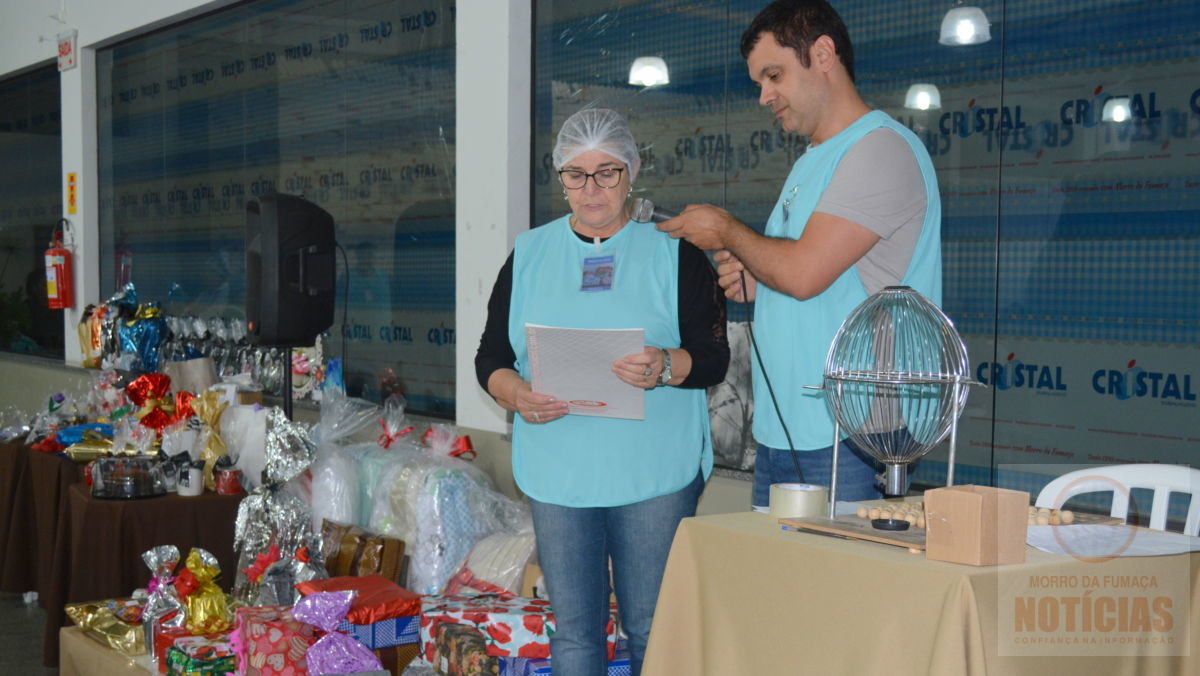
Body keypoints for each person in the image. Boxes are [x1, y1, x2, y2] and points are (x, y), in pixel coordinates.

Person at [657, 0, 942, 508]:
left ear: (823, 53)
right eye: (759, 83)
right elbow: (800, 270)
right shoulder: (813, 159)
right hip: (789, 427)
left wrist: (726, 230)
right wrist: (756, 276)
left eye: (774, 75)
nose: (765, 96)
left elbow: (805, 272)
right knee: (783, 585)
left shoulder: (879, 150)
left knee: (834, 587)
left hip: (853, 431)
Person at [475, 107, 728, 675]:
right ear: (559, 177)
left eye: (607, 172)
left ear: (633, 171)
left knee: (652, 630)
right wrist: (515, 393)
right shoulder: (530, 255)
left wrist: (665, 364)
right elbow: (490, 356)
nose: (592, 189)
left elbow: (714, 358)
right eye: (576, 174)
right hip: (561, 474)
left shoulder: (676, 253)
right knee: (576, 637)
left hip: (652, 475)